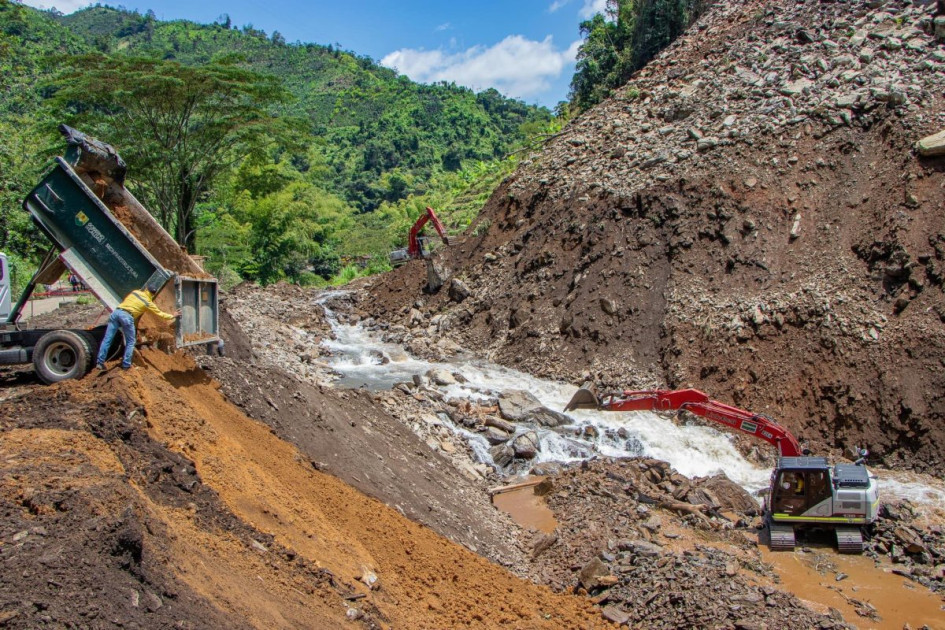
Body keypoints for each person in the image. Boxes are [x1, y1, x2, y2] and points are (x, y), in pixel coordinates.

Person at [95, 288, 180, 370]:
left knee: (107, 339)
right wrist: (173, 315)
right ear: (153, 294)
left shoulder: (135, 292)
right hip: (127, 317)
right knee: (131, 342)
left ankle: (100, 362)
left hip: (116, 313)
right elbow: (160, 314)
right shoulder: (148, 303)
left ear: (146, 289)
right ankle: (126, 365)